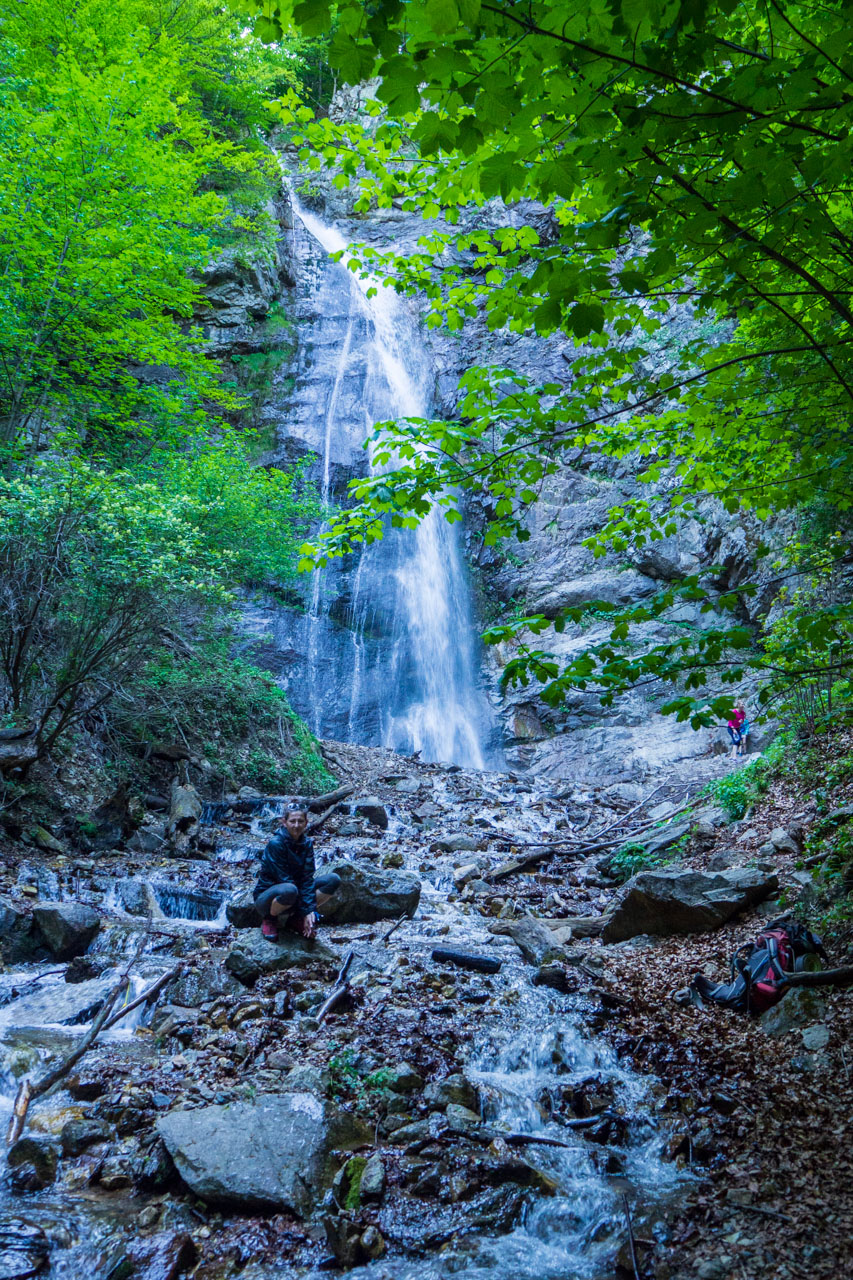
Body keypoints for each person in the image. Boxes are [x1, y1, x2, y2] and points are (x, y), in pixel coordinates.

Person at [254, 802, 340, 940]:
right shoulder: (275, 844)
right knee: (289, 889)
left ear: (306, 823)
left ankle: (295, 919)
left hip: (295, 892)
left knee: (333, 880)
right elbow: (283, 878)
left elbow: (307, 878)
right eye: (292, 821)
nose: (296, 825)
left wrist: (309, 910)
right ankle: (270, 919)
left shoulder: (307, 844)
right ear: (284, 822)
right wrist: (307, 910)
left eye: (300, 821)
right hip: (268, 898)